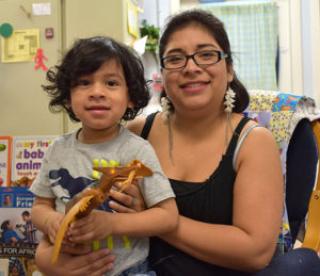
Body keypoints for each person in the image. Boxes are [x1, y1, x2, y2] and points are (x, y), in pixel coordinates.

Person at [33, 9, 320, 276]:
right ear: (163, 75)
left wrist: (150, 219)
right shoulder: (132, 134)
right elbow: (64, 209)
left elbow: (254, 252)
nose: (191, 67)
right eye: (175, 58)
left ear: (229, 69)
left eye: (206, 55)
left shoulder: (253, 141)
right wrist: (48, 259)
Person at [29, 36, 178, 276]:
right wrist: (50, 222)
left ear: (130, 97)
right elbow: (40, 206)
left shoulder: (136, 150)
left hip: (129, 270)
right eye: (84, 83)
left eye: (111, 83)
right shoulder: (58, 149)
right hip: (67, 265)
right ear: (68, 96)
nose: (97, 92)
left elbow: (167, 217)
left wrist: (111, 224)